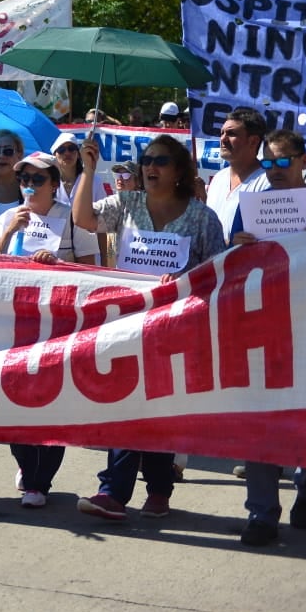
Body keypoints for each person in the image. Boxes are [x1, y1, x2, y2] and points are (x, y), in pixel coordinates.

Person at [71, 134, 225, 521]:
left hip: (176, 326)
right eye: (146, 160)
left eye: (161, 160)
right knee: (125, 402)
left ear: (179, 171)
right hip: (127, 322)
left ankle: (158, 489)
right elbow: (83, 219)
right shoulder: (127, 203)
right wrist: (87, 172)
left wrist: (184, 282)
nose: (150, 167)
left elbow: (218, 271)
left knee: (159, 407)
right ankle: (114, 491)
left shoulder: (202, 217)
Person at [0, 151, 98, 508]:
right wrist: (7, 237)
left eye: (37, 180)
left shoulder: (71, 220)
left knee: (53, 403)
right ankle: (25, 463)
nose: (29, 186)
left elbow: (92, 268)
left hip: (59, 326)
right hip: (15, 325)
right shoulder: (8, 217)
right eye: (24, 180)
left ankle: (40, 481)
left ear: (53, 184)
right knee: (15, 403)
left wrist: (59, 266)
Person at [229, 129, 306, 545]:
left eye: (283, 162)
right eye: (268, 163)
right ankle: (261, 514)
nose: (275, 171)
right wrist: (237, 245)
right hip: (264, 330)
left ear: (303, 161)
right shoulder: (252, 209)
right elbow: (228, 267)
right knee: (260, 421)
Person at [206, 106, 269, 242]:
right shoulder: (218, 178)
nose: (223, 139)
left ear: (253, 141)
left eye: (231, 134)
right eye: (222, 133)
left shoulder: (267, 183)